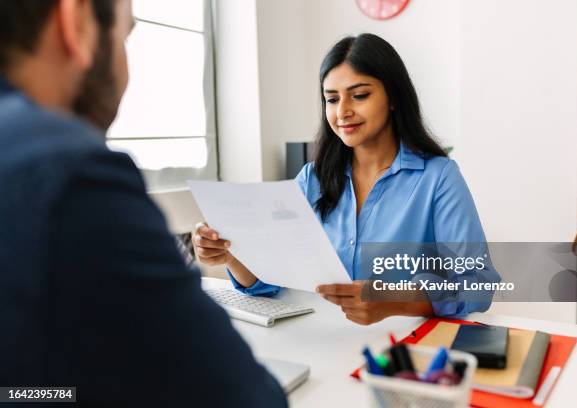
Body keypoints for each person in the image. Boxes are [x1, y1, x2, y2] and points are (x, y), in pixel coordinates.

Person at [0, 0, 286, 406]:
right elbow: (245, 392)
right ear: (76, 21)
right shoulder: (67, 168)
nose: (342, 110)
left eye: (358, 95)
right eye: (125, 36)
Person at [193, 33, 500, 325]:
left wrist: (391, 300)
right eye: (331, 99)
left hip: (402, 348)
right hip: (319, 340)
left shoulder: (438, 178)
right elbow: (270, 282)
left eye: (360, 95)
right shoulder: (311, 178)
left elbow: (478, 282)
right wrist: (232, 255)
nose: (343, 112)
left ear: (393, 98)